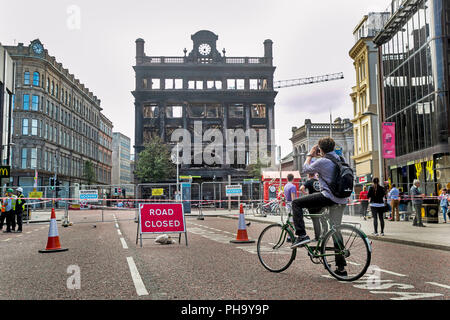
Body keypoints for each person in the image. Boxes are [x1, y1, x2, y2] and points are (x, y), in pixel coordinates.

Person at [290, 137, 350, 277]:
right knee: (336, 230)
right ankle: (341, 268)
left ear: (321, 149)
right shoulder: (339, 158)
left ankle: (301, 235)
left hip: (328, 197)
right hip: (341, 200)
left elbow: (305, 169)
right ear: (333, 147)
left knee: (296, 203)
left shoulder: (322, 161)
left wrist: (310, 155)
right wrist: (321, 155)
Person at [300, 173, 328, 241]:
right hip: (321, 202)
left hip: (312, 203)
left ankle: (317, 237)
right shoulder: (320, 181)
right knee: (323, 219)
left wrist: (306, 194)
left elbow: (301, 188)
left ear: (309, 175)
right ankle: (326, 235)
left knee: (315, 221)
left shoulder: (309, 182)